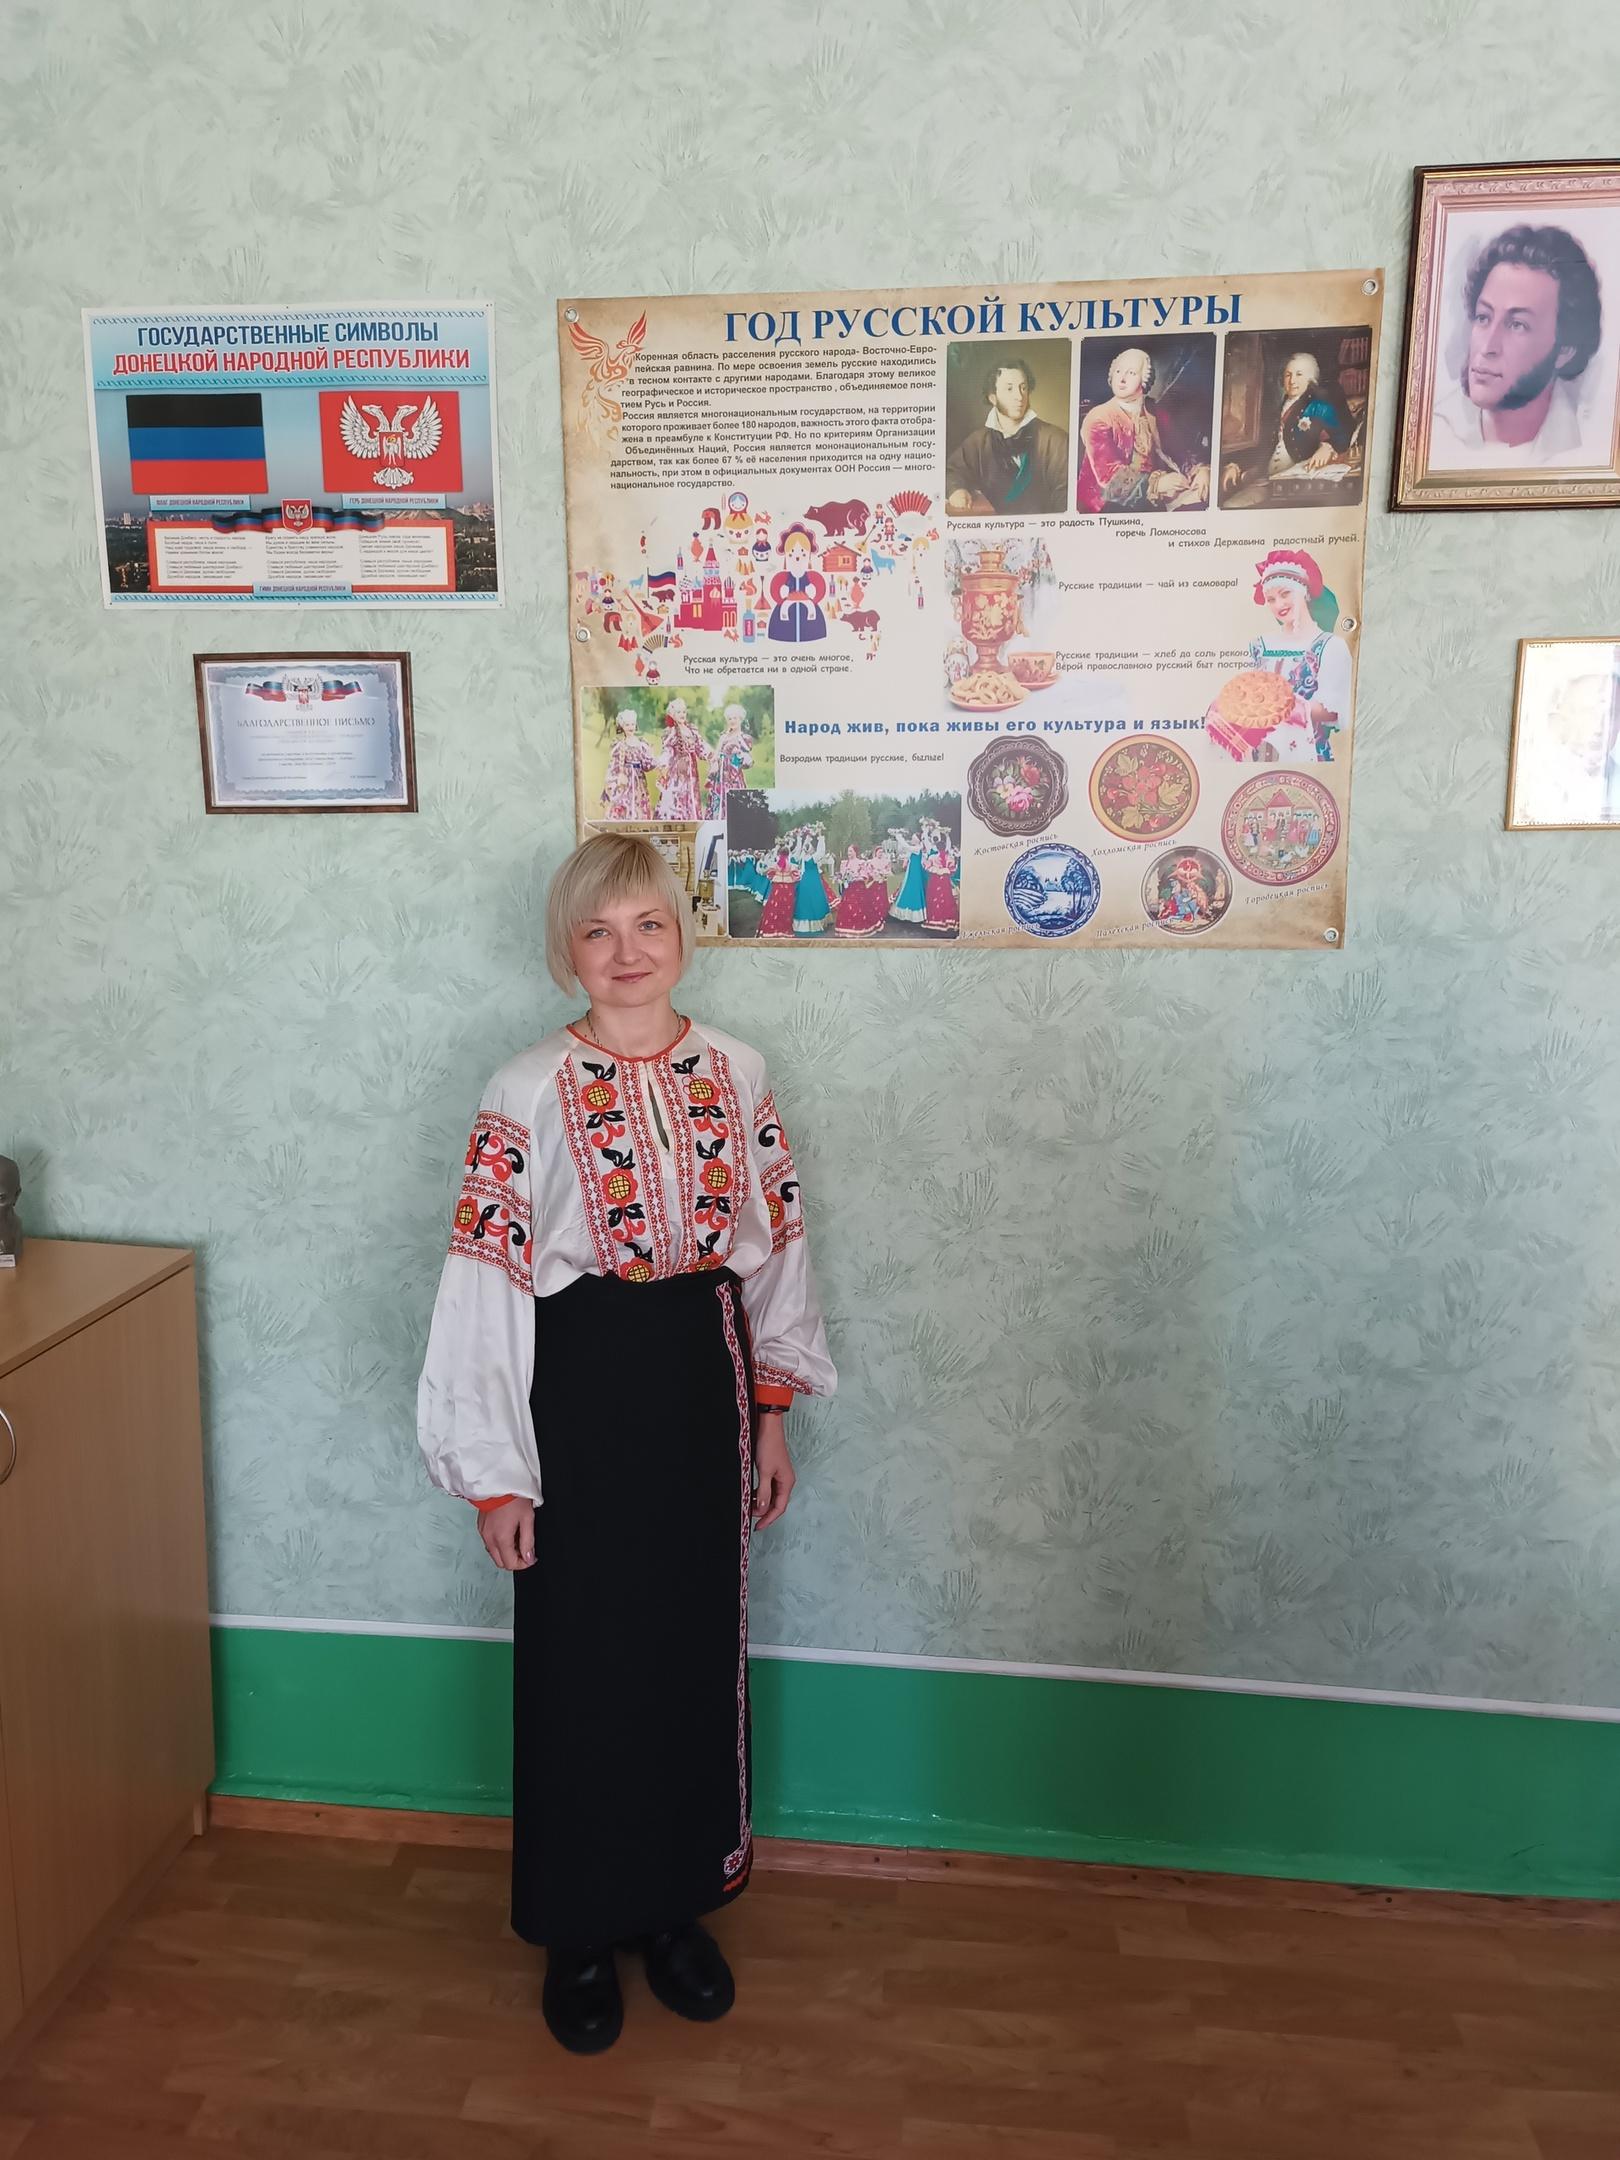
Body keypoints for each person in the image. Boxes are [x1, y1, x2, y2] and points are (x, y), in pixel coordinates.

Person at [418, 833, 836, 2056]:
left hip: (702, 1373)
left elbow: (779, 1244)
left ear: (682, 935)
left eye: (648, 924)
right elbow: (486, 1282)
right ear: (567, 951)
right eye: (597, 931)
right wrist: (497, 1473)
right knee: (581, 1652)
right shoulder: (523, 1088)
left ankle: (674, 1905)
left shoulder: (740, 1072)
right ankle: (579, 1927)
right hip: (576, 1384)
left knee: (690, 1645)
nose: (627, 952)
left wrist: (772, 1411)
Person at [1429, 223, 1605, 467]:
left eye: (1517, 325)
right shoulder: (1435, 430)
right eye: (1483, 317)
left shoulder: (1589, 445)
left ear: (1565, 350)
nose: (1487, 347)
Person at [1076, 347, 1209, 512]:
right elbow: (1109, 477)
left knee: (1200, 502)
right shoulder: (1098, 417)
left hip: (1156, 495)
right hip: (1107, 503)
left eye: (1131, 373)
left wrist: (1199, 471)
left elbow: (1178, 451)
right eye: (1118, 371)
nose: (1122, 379)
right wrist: (1157, 484)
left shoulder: (1154, 411)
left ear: (1144, 379)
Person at [945, 357, 1070, 515]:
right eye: (1009, 389)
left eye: (1023, 388)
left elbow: (1066, 496)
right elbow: (952, 472)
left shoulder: (1056, 441)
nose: (1019, 396)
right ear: (993, 397)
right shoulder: (978, 442)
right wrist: (956, 490)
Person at [1220, 351, 1350, 496]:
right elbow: (1263, 445)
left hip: (1295, 485)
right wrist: (1236, 465)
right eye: (1288, 375)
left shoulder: (1320, 407)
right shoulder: (1278, 409)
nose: (1292, 380)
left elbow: (1343, 437)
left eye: (1299, 374)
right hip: (1266, 480)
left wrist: (1328, 447)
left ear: (1310, 379)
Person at [766, 525, 828, 643]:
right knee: (783, 621)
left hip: (806, 605)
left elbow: (816, 587)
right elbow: (777, 590)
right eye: (791, 553)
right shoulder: (786, 577)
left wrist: (810, 595)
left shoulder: (807, 576)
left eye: (803, 553)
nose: (797, 557)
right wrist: (784, 595)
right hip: (788, 603)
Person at [600, 710, 658, 821]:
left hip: (638, 780)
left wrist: (652, 755)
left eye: (632, 724)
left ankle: (638, 822)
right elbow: (614, 765)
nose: (630, 727)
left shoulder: (641, 744)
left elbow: (646, 765)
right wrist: (613, 779)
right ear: (622, 727)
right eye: (627, 725)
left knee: (639, 802)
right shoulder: (620, 746)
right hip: (625, 781)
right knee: (623, 801)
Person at [656, 698, 706, 819]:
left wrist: (711, 756)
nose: (682, 714)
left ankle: (691, 817)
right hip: (678, 770)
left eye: (684, 712)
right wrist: (663, 763)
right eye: (679, 712)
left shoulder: (691, 730)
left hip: (691, 770)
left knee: (691, 793)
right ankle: (677, 818)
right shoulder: (671, 732)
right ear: (673, 715)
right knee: (677, 793)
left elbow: (700, 746)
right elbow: (667, 750)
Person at [705, 704, 754, 821]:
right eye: (730, 718)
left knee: (734, 803)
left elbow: (747, 759)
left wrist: (739, 757)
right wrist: (714, 764)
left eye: (735, 718)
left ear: (740, 719)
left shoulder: (743, 738)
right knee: (719, 802)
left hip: (734, 776)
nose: (732, 721)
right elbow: (716, 754)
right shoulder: (724, 736)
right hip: (720, 776)